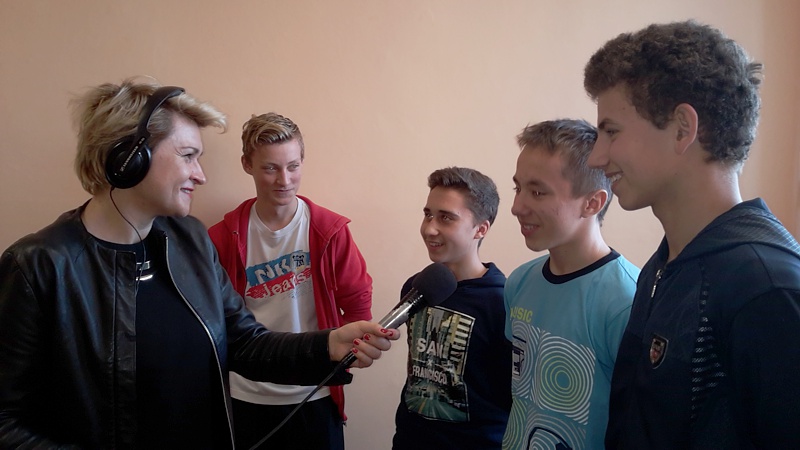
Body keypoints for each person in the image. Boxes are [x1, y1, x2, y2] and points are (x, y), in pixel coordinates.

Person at [0, 78, 398, 449]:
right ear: (129, 158)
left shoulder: (190, 241)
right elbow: (6, 421)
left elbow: (245, 344)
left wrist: (327, 345)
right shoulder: (38, 267)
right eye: (188, 156)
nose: (201, 175)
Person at [584, 20, 800, 448]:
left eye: (611, 131)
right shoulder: (664, 267)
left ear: (683, 128)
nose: (596, 156)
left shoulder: (767, 289)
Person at [208, 112, 373, 450]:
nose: (284, 180)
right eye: (270, 168)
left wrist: (348, 354)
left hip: (315, 392)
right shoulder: (221, 237)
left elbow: (357, 300)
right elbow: (213, 319)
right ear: (247, 164)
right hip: (246, 394)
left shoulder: (329, 231)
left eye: (293, 166)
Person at [501, 119, 639, 450]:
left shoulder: (626, 301)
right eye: (518, 188)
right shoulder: (520, 282)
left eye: (537, 192)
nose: (517, 207)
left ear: (592, 203)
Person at [392, 167, 511, 450]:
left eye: (446, 217)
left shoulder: (502, 301)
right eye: (428, 214)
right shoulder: (418, 286)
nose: (429, 228)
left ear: (481, 229)